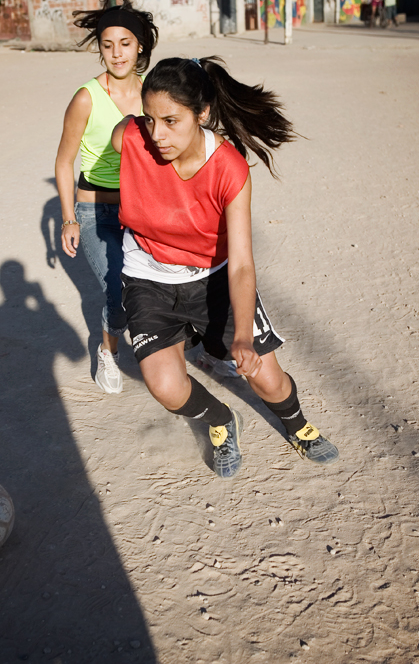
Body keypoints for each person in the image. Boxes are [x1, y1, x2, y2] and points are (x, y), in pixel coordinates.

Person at [110, 57, 339, 478]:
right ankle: (219, 419)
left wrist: (244, 338)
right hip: (148, 276)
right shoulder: (128, 137)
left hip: (212, 278)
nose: (157, 134)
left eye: (171, 121)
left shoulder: (229, 169)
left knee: (266, 378)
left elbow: (242, 264)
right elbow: (119, 150)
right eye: (150, 119)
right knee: (164, 386)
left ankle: (296, 425)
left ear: (203, 114)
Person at [54, 0, 158, 394]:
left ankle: (195, 346)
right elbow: (64, 162)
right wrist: (67, 219)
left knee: (165, 281)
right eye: (108, 45)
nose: (117, 54)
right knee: (117, 289)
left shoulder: (154, 92)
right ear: (100, 49)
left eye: (125, 44)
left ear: (140, 46)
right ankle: (108, 352)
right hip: (95, 212)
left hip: (143, 208)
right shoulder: (86, 98)